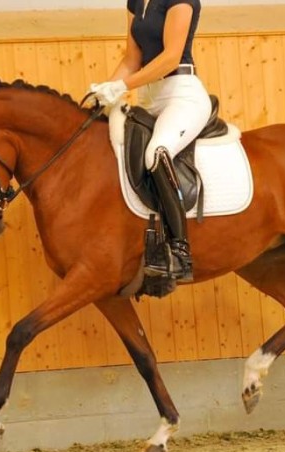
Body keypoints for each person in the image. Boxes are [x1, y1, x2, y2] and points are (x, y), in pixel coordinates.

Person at [89, 0, 211, 283]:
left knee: (157, 152)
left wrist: (122, 87)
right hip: (150, 98)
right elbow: (132, 58)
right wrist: (106, 90)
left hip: (182, 94)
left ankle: (180, 251)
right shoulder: (136, 2)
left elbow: (170, 57)